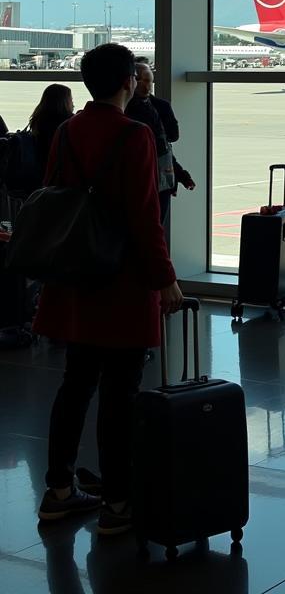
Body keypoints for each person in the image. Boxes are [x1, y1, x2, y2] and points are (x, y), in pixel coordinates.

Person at [33, 43, 182, 535]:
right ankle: (118, 502)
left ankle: (57, 490)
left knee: (74, 385)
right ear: (129, 83)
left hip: (77, 277)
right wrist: (165, 280)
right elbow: (144, 218)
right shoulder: (134, 135)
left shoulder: (66, 132)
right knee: (121, 395)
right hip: (121, 283)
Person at [127, 59, 194, 230]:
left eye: (150, 81)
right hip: (144, 181)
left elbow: (166, 145)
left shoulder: (158, 106)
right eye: (145, 80)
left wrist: (179, 174)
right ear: (133, 81)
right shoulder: (136, 111)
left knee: (154, 228)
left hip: (161, 180)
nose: (148, 86)